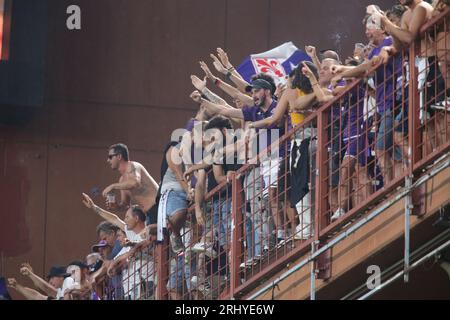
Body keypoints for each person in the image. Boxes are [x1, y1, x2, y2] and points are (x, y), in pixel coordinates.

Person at [102, 143, 159, 227]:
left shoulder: (132, 165)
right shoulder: (122, 181)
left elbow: (135, 182)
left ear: (119, 156)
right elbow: (125, 205)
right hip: (149, 214)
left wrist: (112, 186)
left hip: (158, 206)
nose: (108, 160)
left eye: (110, 157)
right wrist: (116, 206)